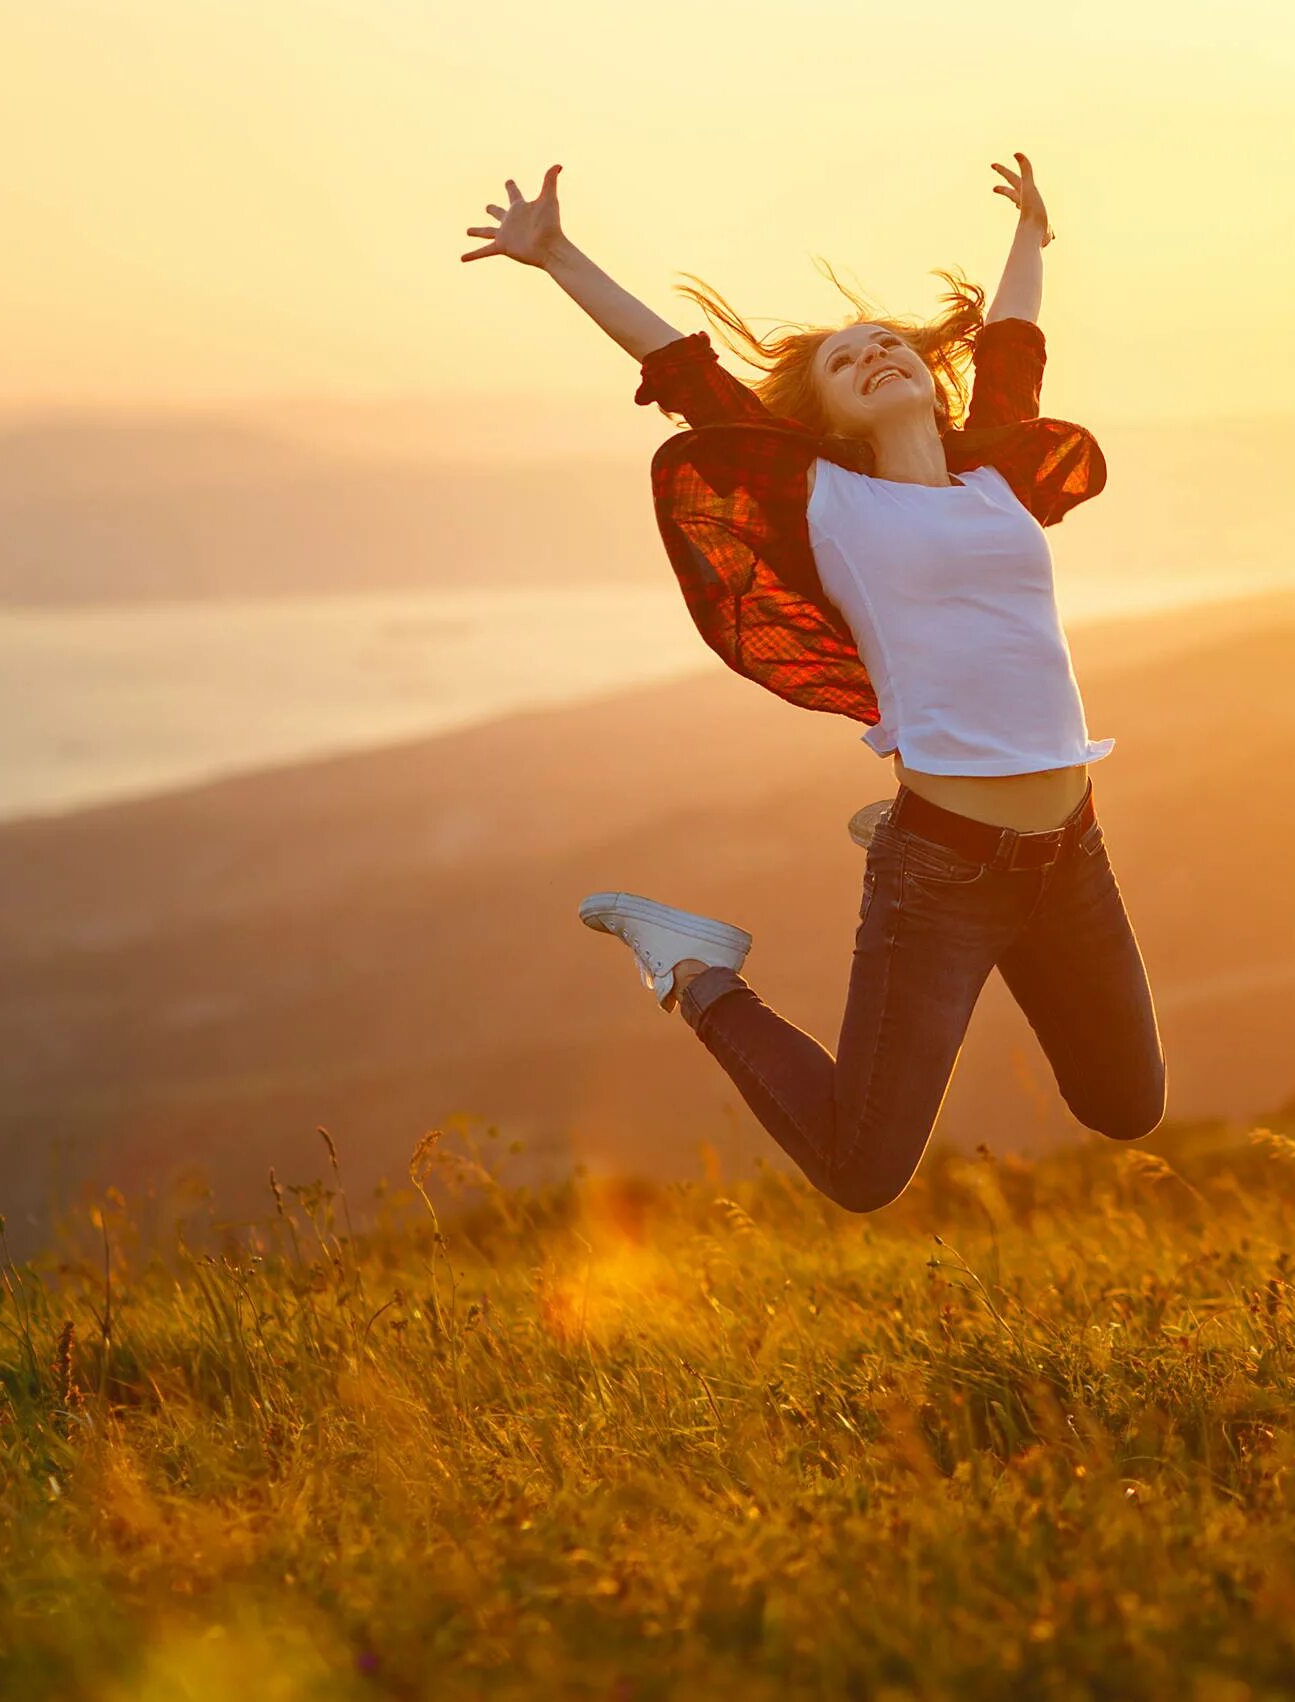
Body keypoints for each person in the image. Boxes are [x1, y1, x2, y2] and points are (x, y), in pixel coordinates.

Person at [461, 155, 1164, 1210]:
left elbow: (1013, 342)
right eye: (847, 361)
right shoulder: (823, 497)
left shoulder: (997, 473)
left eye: (889, 344)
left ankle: (904, 834)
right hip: (946, 873)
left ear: (930, 372)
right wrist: (558, 254)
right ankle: (692, 970)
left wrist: (1033, 236)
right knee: (862, 1169)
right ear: (828, 418)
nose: (877, 354)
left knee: (1127, 1106)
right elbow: (683, 370)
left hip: (1072, 850)